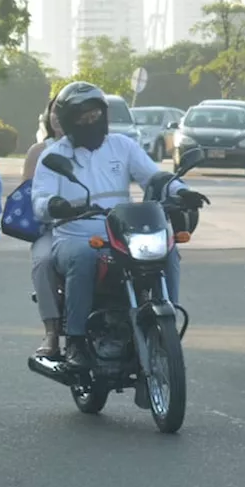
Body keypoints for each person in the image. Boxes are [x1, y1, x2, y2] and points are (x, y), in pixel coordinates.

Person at [31, 82, 209, 370]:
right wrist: (56, 205)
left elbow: (153, 177)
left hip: (121, 233)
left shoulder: (122, 146)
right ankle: (75, 341)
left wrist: (180, 191)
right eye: (82, 116)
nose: (91, 120)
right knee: (83, 256)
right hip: (75, 234)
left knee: (168, 250)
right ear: (67, 120)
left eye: (95, 113)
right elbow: (39, 198)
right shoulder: (54, 157)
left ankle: (167, 323)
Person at [23, 98, 65, 358]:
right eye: (54, 111)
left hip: (97, 226)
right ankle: (51, 331)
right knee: (43, 261)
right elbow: (28, 195)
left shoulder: (107, 147)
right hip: (52, 227)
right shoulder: (40, 151)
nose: (58, 117)